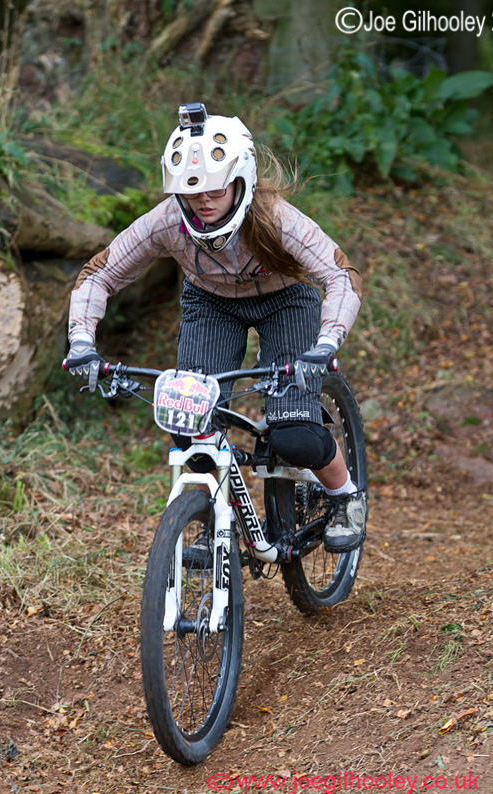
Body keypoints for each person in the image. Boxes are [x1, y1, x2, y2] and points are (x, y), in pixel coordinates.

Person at [64, 102, 366, 553]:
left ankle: (345, 497)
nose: (203, 200)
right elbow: (100, 273)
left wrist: (325, 343)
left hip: (285, 301)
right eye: (192, 189)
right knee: (191, 422)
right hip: (211, 305)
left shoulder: (274, 217)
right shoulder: (168, 221)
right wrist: (82, 343)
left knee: (295, 436)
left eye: (215, 188)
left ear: (240, 181)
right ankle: (212, 521)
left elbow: (340, 274)